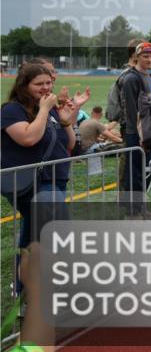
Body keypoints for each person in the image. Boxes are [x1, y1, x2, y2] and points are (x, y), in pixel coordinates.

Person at [1, 63, 88, 249]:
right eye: (39, 84)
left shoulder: (49, 108)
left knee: (33, 236)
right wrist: (44, 110)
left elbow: (69, 145)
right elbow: (28, 138)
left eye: (49, 83)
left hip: (56, 178)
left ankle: (23, 278)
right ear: (24, 86)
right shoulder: (12, 110)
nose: (46, 87)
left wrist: (67, 122)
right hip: (32, 182)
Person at [118, 40, 151, 212]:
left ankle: (140, 205)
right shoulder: (131, 78)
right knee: (133, 171)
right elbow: (132, 111)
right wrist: (140, 136)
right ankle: (133, 208)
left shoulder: (150, 76)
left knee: (145, 169)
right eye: (145, 55)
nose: (149, 59)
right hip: (134, 132)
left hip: (147, 130)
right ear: (137, 56)